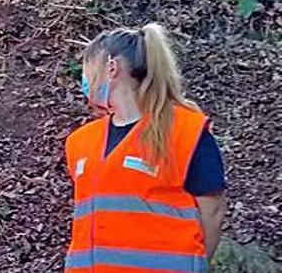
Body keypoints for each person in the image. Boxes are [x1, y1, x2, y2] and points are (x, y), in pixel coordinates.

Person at [66, 24, 227, 272]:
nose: (84, 82)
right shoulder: (80, 142)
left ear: (111, 68)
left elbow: (213, 212)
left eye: (87, 72)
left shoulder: (186, 130)